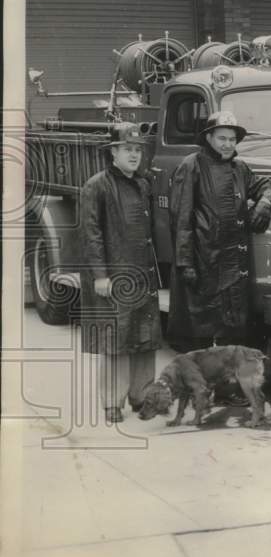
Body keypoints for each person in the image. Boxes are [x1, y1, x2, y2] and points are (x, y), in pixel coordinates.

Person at [167, 111, 271, 401]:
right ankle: (195, 390)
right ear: (209, 138)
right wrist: (185, 262)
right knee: (200, 331)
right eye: (222, 138)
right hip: (204, 259)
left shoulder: (241, 168)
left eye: (232, 139)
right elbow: (181, 218)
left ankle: (228, 389)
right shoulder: (191, 167)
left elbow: (265, 185)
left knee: (233, 328)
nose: (228, 144)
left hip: (234, 262)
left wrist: (265, 201)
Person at [79, 122, 163, 423]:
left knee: (145, 336)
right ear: (113, 151)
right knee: (116, 339)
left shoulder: (142, 184)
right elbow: (91, 234)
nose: (134, 155)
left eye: (137, 150)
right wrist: (101, 275)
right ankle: (112, 402)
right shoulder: (96, 186)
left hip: (142, 272)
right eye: (128, 149)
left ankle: (141, 395)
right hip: (114, 275)